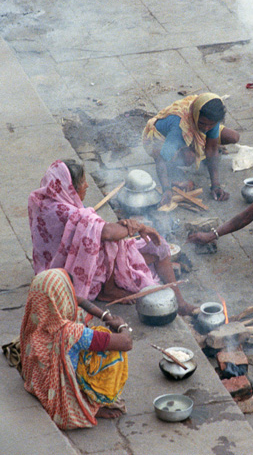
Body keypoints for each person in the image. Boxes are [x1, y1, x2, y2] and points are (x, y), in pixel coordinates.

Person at [28, 159, 195, 314]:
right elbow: (106, 232)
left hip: (52, 271)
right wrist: (140, 227)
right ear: (70, 187)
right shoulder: (67, 212)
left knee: (112, 236)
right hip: (75, 275)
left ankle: (176, 301)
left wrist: (127, 224)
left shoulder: (42, 200)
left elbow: (94, 225)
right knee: (148, 247)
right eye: (82, 182)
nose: (86, 185)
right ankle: (109, 291)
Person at [20, 269, 132, 429]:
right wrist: (121, 324)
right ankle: (90, 405)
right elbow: (126, 343)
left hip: (39, 383)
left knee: (79, 314)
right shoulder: (71, 332)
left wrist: (104, 315)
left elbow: (77, 300)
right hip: (62, 398)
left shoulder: (36, 316)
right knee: (112, 348)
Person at [142, 93, 240, 206]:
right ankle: (175, 163)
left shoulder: (210, 117)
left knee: (233, 136)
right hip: (160, 138)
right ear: (196, 115)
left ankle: (199, 149)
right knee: (188, 158)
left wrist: (215, 185)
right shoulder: (179, 128)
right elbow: (161, 159)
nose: (206, 128)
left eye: (211, 125)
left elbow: (212, 149)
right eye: (203, 123)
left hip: (192, 131)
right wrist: (166, 189)